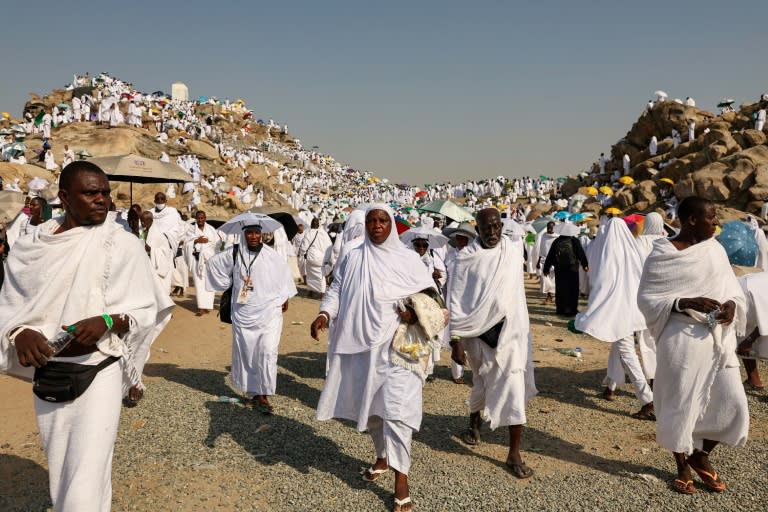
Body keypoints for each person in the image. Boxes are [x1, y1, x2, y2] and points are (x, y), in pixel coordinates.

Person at [0, 161, 173, 511]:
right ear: (64, 197)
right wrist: (19, 333)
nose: (102, 200)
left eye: (105, 193)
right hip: (50, 373)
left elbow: (144, 310)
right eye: (91, 192)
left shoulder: (121, 244)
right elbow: (11, 307)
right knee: (63, 470)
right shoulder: (32, 246)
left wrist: (108, 320)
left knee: (84, 481)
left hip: (99, 370)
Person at [312, 205, 442, 512]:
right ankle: (382, 455)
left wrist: (413, 314)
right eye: (372, 221)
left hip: (398, 347)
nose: (377, 226)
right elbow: (337, 289)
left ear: (392, 226)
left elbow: (433, 296)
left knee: (397, 411)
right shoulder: (353, 256)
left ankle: (401, 479)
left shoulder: (408, 259)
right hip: (361, 348)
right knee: (370, 409)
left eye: (383, 220)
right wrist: (325, 313)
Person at [637, 196, 749, 494]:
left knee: (733, 403)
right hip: (679, 338)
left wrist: (731, 307)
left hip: (716, 338)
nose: (716, 222)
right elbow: (647, 299)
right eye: (711, 217)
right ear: (691, 220)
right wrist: (684, 301)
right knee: (680, 402)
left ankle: (701, 455)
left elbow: (734, 292)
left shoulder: (715, 250)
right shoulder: (661, 253)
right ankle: (681, 465)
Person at [448, 208, 537, 479]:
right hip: (477, 334)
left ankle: (514, 453)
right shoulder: (465, 259)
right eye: (487, 228)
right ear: (477, 229)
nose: (493, 233)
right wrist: (455, 340)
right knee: (481, 381)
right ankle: (474, 422)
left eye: (497, 227)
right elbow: (456, 298)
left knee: (513, 384)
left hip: (510, 334)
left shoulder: (511, 250)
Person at [207, 224, 297, 412]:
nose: (254, 236)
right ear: (244, 234)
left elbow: (284, 275)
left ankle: (264, 393)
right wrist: (228, 282)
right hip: (243, 313)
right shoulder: (235, 252)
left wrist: (284, 295)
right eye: (250, 233)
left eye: (257, 232)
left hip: (269, 312)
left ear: (262, 234)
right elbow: (213, 264)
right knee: (247, 353)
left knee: (267, 351)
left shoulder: (272, 255)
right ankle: (255, 393)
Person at [575, 218, 655, 418]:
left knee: (627, 351)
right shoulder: (632, 252)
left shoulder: (609, 255)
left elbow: (602, 286)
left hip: (617, 313)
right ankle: (610, 386)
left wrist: (588, 314)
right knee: (618, 348)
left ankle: (648, 400)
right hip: (633, 310)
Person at [634, 212, 667, 385]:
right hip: (665, 297)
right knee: (661, 337)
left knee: (646, 339)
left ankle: (653, 377)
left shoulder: (639, 242)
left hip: (643, 296)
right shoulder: (667, 241)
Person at [543, 223, 588, 316]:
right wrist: (585, 264)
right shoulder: (574, 240)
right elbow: (581, 254)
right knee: (572, 289)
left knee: (560, 289)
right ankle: (571, 310)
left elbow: (550, 256)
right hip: (572, 269)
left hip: (559, 269)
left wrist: (546, 268)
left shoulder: (557, 241)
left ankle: (560, 309)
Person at [184, 211, 220, 316]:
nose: (200, 220)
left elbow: (217, 244)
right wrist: (196, 240)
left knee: (208, 283)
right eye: (198, 218)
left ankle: (207, 305)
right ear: (195, 218)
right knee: (199, 283)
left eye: (202, 218)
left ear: (205, 218)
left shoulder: (211, 230)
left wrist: (208, 244)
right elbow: (186, 243)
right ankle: (200, 307)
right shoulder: (191, 229)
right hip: (196, 260)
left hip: (208, 260)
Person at [737, 271, 768, 390]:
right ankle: (753, 380)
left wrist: (749, 340)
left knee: (744, 335)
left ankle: (754, 381)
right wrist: (748, 340)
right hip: (747, 291)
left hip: (747, 290)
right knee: (742, 333)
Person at [140, 211, 175, 293]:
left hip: (157, 266)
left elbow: (166, 252)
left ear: (150, 220)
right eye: (141, 220)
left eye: (144, 220)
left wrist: (151, 250)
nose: (142, 223)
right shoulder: (142, 232)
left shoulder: (159, 235)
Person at [298, 217, 333, 298]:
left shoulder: (309, 233)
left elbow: (304, 246)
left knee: (310, 276)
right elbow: (330, 246)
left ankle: (310, 292)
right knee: (321, 277)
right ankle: (322, 294)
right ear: (318, 225)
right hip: (322, 259)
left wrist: (301, 253)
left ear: (311, 224)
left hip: (311, 258)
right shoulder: (324, 233)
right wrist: (327, 258)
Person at [535, 221, 558, 304]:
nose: (550, 229)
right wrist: (538, 261)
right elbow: (541, 249)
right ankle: (549, 295)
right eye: (548, 227)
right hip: (544, 261)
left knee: (554, 280)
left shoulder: (558, 237)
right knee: (545, 279)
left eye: (551, 227)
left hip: (555, 262)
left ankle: (551, 296)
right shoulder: (544, 235)